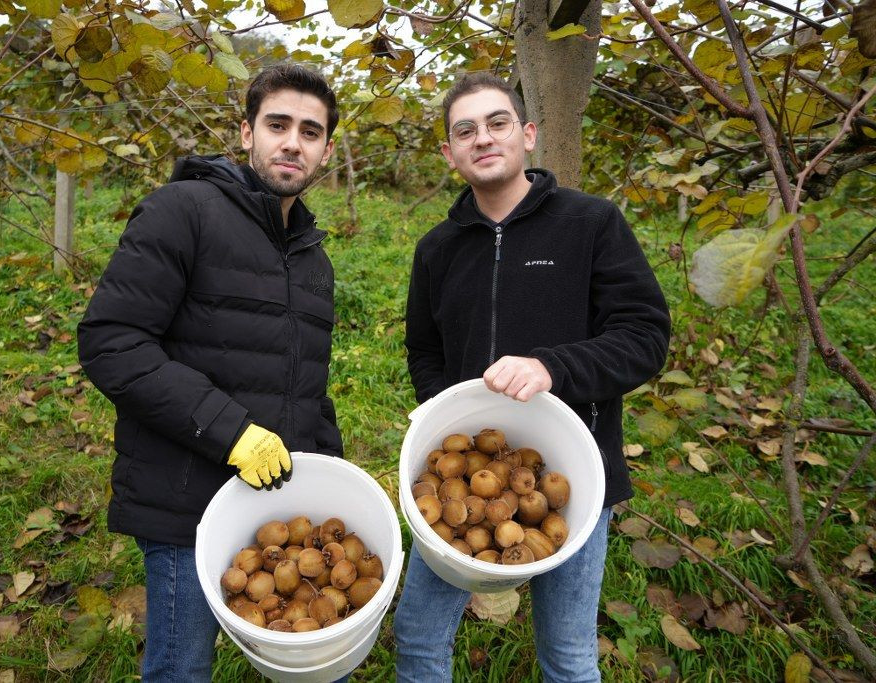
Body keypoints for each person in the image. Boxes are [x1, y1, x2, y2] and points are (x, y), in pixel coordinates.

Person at [394, 72, 671, 682]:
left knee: (569, 656)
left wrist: (553, 366)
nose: (482, 138)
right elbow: (425, 350)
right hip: (463, 480)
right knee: (416, 639)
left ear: (528, 134)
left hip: (575, 472)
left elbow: (646, 338)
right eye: (464, 130)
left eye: (497, 123)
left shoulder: (591, 225)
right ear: (449, 153)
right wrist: (444, 415)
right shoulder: (437, 249)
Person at [78, 63, 344, 681]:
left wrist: (330, 471)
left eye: (310, 131)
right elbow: (111, 342)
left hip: (273, 509)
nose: (292, 142)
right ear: (246, 133)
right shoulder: (184, 211)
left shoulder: (311, 256)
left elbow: (304, 384)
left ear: (326, 149)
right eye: (277, 124)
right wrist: (232, 433)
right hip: (184, 502)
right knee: (183, 668)